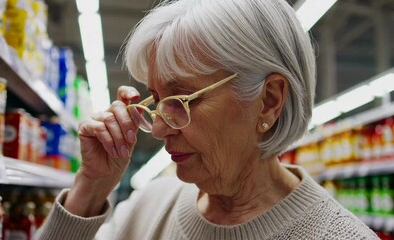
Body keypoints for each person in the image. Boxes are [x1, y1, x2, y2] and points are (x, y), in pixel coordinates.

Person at [37, 0, 379, 239]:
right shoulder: (149, 207)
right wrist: (90, 190)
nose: (156, 129)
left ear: (269, 100)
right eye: (156, 101)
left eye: (181, 99)